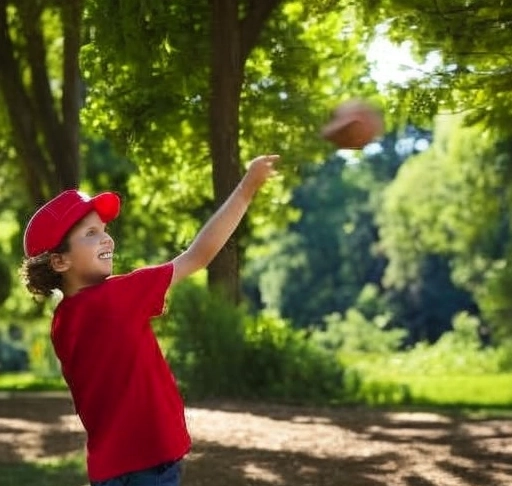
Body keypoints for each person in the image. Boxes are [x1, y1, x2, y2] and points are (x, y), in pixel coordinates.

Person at [20, 154, 280, 486]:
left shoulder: (63, 322)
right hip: (151, 461)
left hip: (108, 469)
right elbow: (198, 256)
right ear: (59, 261)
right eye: (90, 233)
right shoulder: (117, 296)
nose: (107, 239)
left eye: (104, 230)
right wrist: (246, 188)